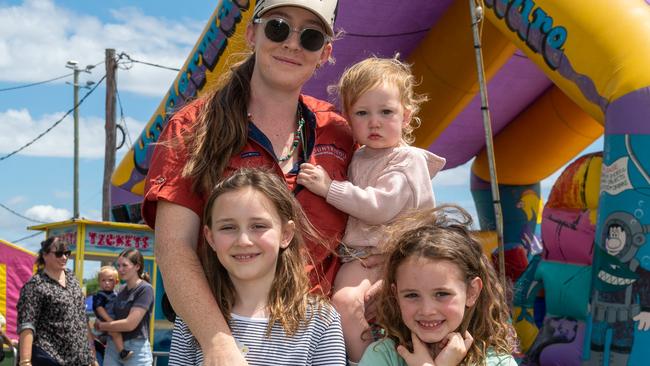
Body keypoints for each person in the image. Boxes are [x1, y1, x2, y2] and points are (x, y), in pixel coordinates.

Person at [142, 0, 353, 364]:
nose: (292, 43)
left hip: (316, 345)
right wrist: (217, 342)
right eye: (278, 27)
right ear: (252, 33)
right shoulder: (193, 127)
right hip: (219, 342)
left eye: (311, 37)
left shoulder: (343, 132)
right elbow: (174, 247)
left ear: (325, 54)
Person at [297, 56, 446, 362]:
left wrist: (328, 188)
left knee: (365, 305)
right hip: (361, 256)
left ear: (406, 116)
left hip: (403, 255)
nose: (374, 121)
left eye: (386, 112)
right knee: (341, 304)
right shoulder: (362, 156)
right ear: (349, 120)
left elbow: (380, 207)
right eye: (362, 113)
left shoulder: (407, 160)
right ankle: (365, 359)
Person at [168, 169, 346, 365]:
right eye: (228, 227)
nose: (243, 240)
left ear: (286, 234)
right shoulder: (191, 319)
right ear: (210, 238)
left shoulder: (321, 320)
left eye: (258, 226)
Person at [358, 205, 517, 366]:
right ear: (396, 294)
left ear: (471, 292)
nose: (427, 310)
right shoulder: (382, 356)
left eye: (441, 294)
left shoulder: (498, 362)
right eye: (412, 295)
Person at [17, 237, 96, 366]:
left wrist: (92, 357)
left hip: (78, 359)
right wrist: (25, 362)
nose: (64, 258)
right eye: (59, 254)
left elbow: (82, 319)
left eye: (67, 253)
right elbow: (27, 324)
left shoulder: (72, 279)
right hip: (48, 356)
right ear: (45, 255)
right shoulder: (35, 285)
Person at [94, 249, 154, 366]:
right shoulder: (119, 290)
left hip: (136, 348)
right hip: (112, 346)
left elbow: (130, 324)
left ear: (137, 266)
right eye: (119, 265)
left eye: (125, 265)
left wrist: (101, 326)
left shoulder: (145, 289)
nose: (120, 269)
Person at [92, 266, 133, 361]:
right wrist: (108, 320)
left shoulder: (116, 293)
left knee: (117, 334)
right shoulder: (100, 295)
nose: (107, 283)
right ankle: (122, 352)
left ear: (116, 282)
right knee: (116, 333)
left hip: (112, 321)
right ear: (99, 282)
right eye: (103, 280)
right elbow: (99, 308)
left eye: (110, 280)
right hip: (105, 321)